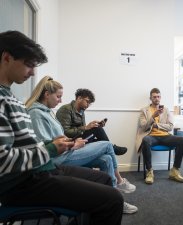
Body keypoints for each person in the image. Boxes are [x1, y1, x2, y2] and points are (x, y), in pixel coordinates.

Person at [0, 30, 123, 224]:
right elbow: (2, 160)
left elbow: (24, 147)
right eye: (29, 64)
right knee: (114, 199)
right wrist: (51, 148)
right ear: (7, 57)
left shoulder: (10, 97)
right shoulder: (8, 102)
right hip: (24, 183)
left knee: (105, 180)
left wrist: (52, 143)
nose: (32, 72)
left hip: (41, 169)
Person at [25, 75, 138, 214]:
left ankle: (115, 197)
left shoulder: (47, 112)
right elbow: (47, 146)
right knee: (107, 145)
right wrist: (73, 143)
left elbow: (58, 137)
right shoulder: (37, 113)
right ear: (47, 94)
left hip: (68, 149)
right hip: (60, 158)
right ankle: (119, 183)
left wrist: (74, 141)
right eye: (58, 96)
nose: (60, 100)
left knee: (107, 159)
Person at [136, 88, 183, 184]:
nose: (157, 98)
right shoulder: (144, 110)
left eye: (158, 96)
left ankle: (175, 170)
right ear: (150, 98)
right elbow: (143, 127)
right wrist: (153, 117)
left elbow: (170, 127)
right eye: (154, 97)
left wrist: (157, 125)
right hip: (151, 136)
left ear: (160, 97)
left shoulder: (166, 110)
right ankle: (150, 171)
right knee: (145, 140)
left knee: (182, 140)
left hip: (165, 136)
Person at [56, 88, 127, 155]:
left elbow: (83, 130)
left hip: (79, 138)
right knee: (97, 129)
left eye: (90, 103)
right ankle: (112, 148)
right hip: (70, 141)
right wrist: (86, 127)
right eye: (87, 101)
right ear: (79, 98)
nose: (88, 105)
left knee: (100, 140)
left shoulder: (81, 111)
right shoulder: (66, 109)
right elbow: (65, 132)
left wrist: (90, 127)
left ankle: (110, 147)